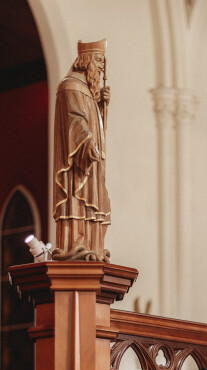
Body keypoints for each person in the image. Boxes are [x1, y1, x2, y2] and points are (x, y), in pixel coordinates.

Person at [52, 39, 111, 262]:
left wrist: (102, 107)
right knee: (78, 196)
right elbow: (75, 119)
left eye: (103, 62)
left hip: (93, 163)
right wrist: (86, 142)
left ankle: (93, 246)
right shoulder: (70, 86)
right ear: (85, 60)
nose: (102, 67)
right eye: (98, 60)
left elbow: (97, 129)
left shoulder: (88, 91)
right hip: (78, 161)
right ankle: (76, 243)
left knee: (98, 199)